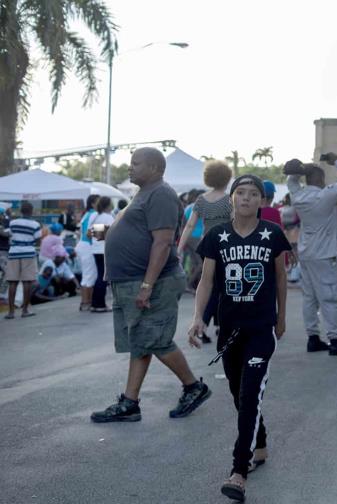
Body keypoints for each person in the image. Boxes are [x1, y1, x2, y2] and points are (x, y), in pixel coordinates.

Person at [188, 174, 291, 502]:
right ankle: (259, 441)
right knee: (238, 394)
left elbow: (280, 277)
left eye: (253, 194)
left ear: (262, 201)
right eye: (240, 193)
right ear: (231, 199)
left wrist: (282, 317)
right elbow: (206, 281)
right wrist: (197, 320)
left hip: (261, 329)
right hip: (229, 331)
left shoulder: (272, 234)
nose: (246, 198)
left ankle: (239, 471)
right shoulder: (217, 236)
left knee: (249, 397)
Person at [90, 147, 211, 423]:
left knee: (153, 339)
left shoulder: (161, 194)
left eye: (136, 163)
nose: (130, 168)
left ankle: (194, 387)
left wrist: (147, 285)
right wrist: (107, 234)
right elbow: (139, 231)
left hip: (154, 281)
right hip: (131, 280)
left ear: (155, 168)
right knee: (141, 342)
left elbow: (163, 241)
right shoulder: (143, 194)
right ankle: (130, 403)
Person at [284, 152, 337, 354]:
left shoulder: (298, 196)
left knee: (309, 298)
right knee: (330, 298)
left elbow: (292, 181)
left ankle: (313, 338)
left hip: (306, 253)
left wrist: (299, 171)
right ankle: (335, 340)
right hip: (325, 255)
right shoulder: (326, 195)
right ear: (320, 178)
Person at [177, 160, 234, 343]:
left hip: (206, 246)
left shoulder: (201, 200)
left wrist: (179, 247)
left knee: (210, 284)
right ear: (227, 178)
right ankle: (207, 324)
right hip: (226, 248)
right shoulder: (229, 200)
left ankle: (209, 325)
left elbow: (190, 225)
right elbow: (236, 225)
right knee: (221, 288)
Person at [5, 201, 42, 319]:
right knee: (27, 282)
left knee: (12, 282)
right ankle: (25, 310)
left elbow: (10, 235)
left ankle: (11, 312)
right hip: (28, 253)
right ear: (31, 212)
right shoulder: (35, 224)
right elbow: (38, 240)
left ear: (21, 211)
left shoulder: (13, 223)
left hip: (14, 253)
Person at [89, 196, 115, 312]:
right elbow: (113, 234)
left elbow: (90, 233)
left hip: (96, 249)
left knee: (100, 276)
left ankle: (95, 303)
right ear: (108, 205)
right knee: (103, 277)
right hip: (104, 250)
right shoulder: (108, 217)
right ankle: (100, 304)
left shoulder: (97, 216)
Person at [75, 195, 99, 312]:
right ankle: (86, 303)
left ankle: (86, 302)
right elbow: (90, 233)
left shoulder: (87, 214)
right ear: (93, 203)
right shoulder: (94, 214)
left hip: (83, 245)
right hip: (88, 246)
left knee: (89, 275)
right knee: (89, 275)